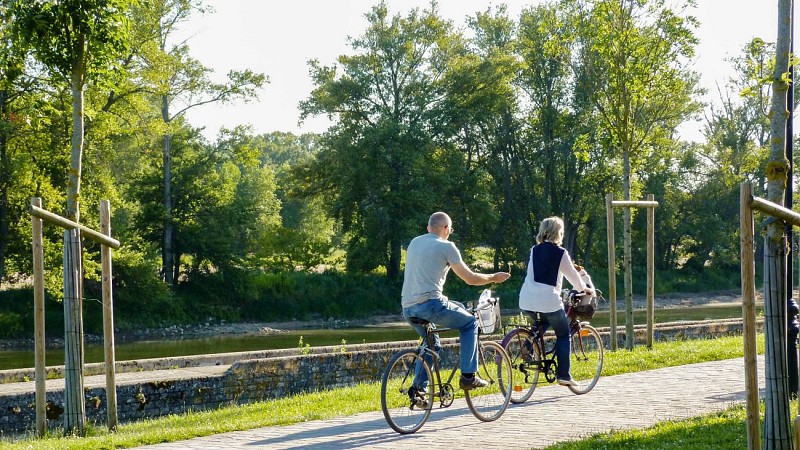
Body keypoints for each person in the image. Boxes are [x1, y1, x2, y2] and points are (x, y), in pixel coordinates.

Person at [401, 212, 511, 393]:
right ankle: (469, 376)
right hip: (430, 304)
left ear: (428, 228)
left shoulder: (415, 242)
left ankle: (418, 390)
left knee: (432, 344)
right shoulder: (447, 246)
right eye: (450, 229)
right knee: (470, 323)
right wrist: (493, 277)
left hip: (408, 307)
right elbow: (470, 278)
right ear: (446, 229)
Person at [519, 216, 594, 387]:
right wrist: (585, 289)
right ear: (558, 233)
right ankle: (564, 375)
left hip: (526, 300)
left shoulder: (534, 250)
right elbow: (573, 277)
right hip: (548, 301)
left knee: (543, 320)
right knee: (563, 334)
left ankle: (528, 345)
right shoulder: (560, 253)